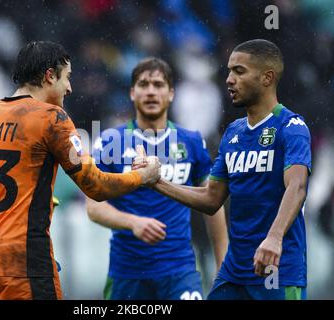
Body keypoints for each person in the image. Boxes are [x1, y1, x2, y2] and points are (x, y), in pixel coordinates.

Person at [0, 41, 161, 300]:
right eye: (67, 78)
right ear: (50, 76)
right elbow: (95, 185)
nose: (70, 88)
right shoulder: (52, 118)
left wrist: (20, 203)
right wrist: (142, 177)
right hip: (24, 260)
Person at [148, 39, 311, 300]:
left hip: (277, 270)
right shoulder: (233, 132)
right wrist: (157, 182)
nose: (229, 79)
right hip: (234, 271)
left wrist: (274, 238)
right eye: (229, 71)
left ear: (267, 78)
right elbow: (212, 198)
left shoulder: (291, 127)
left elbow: (298, 186)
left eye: (239, 71)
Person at [86, 57, 228, 300]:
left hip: (179, 271)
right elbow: (94, 207)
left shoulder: (192, 141)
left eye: (158, 85)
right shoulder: (110, 141)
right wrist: (133, 222)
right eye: (143, 84)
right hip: (127, 273)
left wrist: (223, 269)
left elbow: (212, 204)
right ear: (132, 93)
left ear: (171, 93)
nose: (151, 91)